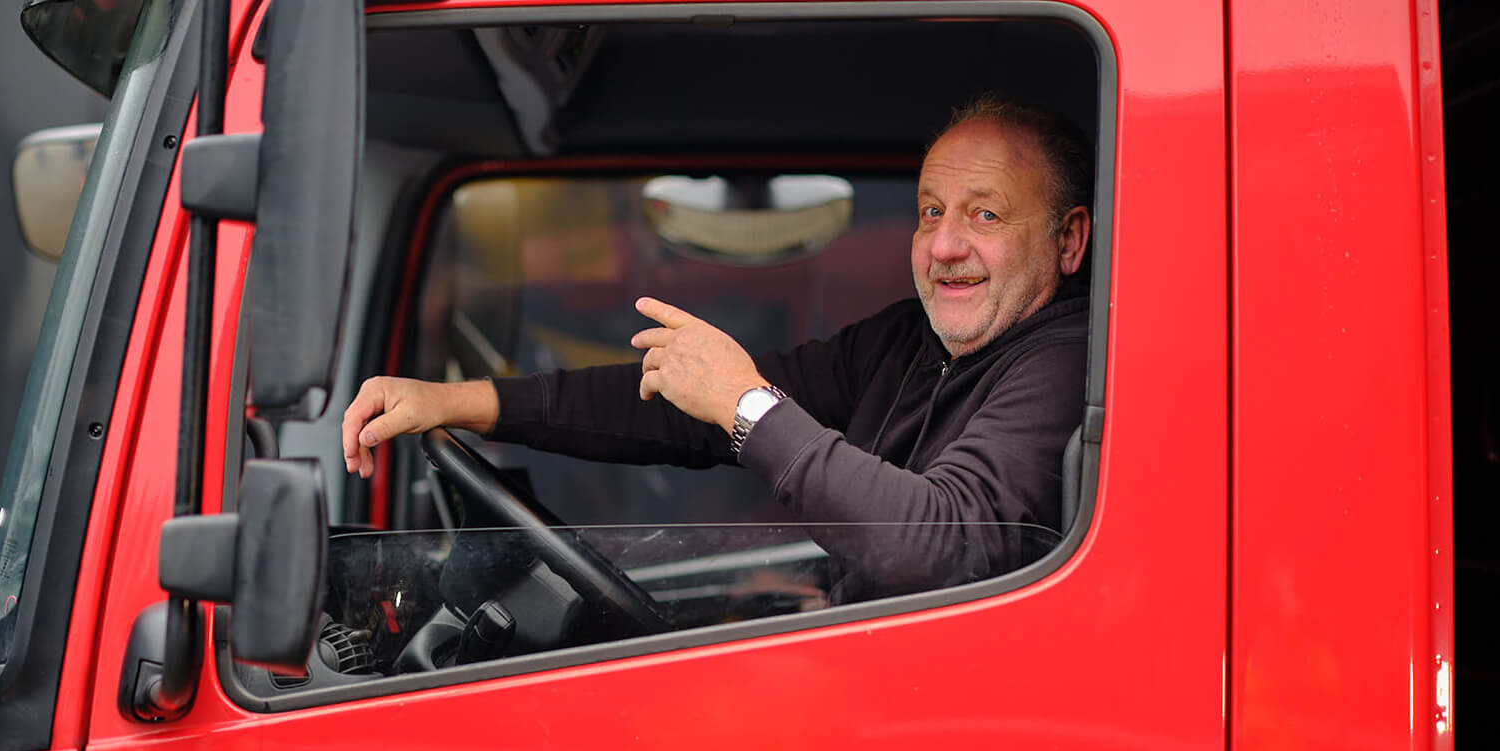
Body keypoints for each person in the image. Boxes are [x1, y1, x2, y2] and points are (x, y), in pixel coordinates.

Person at [340, 95, 1093, 602]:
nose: (945, 245)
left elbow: (937, 547)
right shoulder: (908, 341)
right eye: (930, 212)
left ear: (1068, 241)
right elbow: (677, 412)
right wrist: (458, 401)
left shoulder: (1070, 359)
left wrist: (743, 403)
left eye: (985, 215)